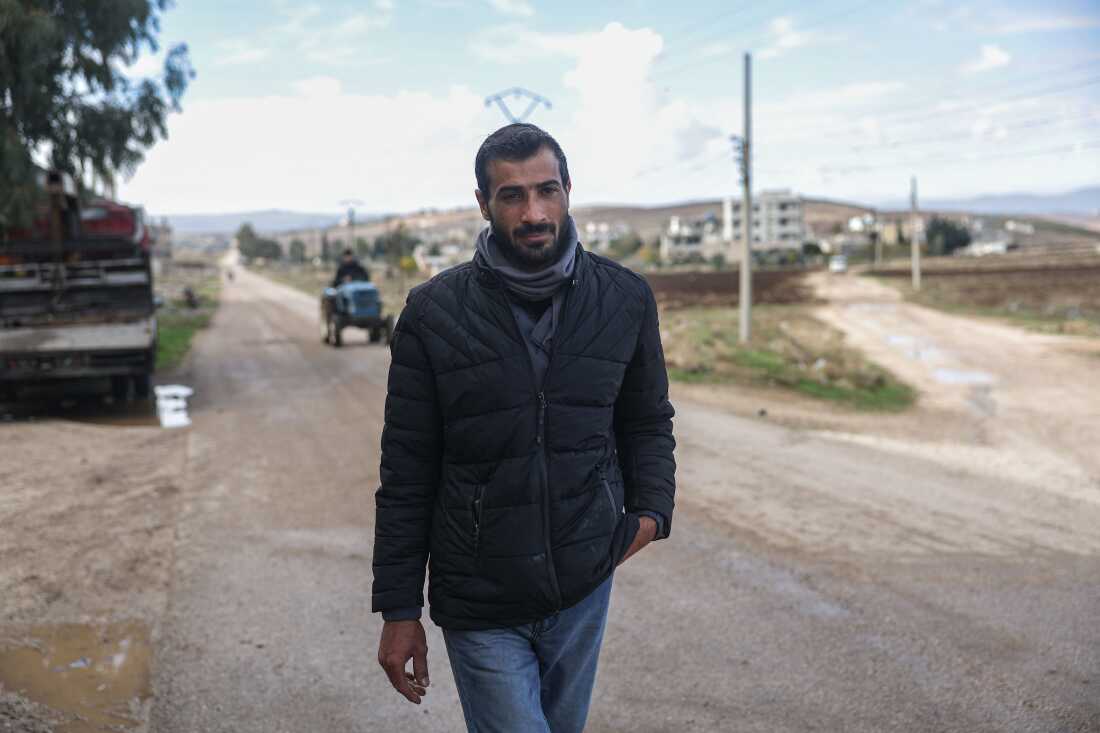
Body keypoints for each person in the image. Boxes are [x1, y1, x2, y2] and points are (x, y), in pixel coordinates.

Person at [373, 123, 676, 732]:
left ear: (568, 190)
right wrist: (400, 608)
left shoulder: (624, 298)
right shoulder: (434, 313)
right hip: (480, 592)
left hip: (584, 585)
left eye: (546, 191)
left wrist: (650, 514)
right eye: (512, 195)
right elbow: (407, 469)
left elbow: (646, 422)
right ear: (484, 204)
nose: (534, 212)